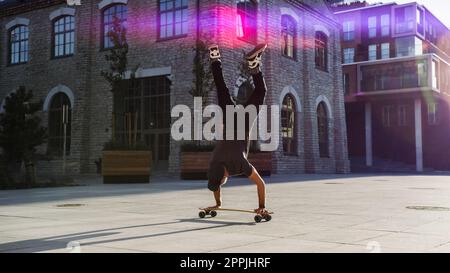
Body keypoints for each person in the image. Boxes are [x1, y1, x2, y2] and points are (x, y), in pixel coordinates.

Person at [206, 43, 269, 215]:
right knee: (222, 88)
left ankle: (254, 66)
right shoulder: (214, 164)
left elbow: (260, 183)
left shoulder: (239, 165)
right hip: (228, 118)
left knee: (261, 91)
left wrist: (262, 206)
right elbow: (215, 182)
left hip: (244, 121)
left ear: (225, 177)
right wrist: (217, 203)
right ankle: (215, 57)